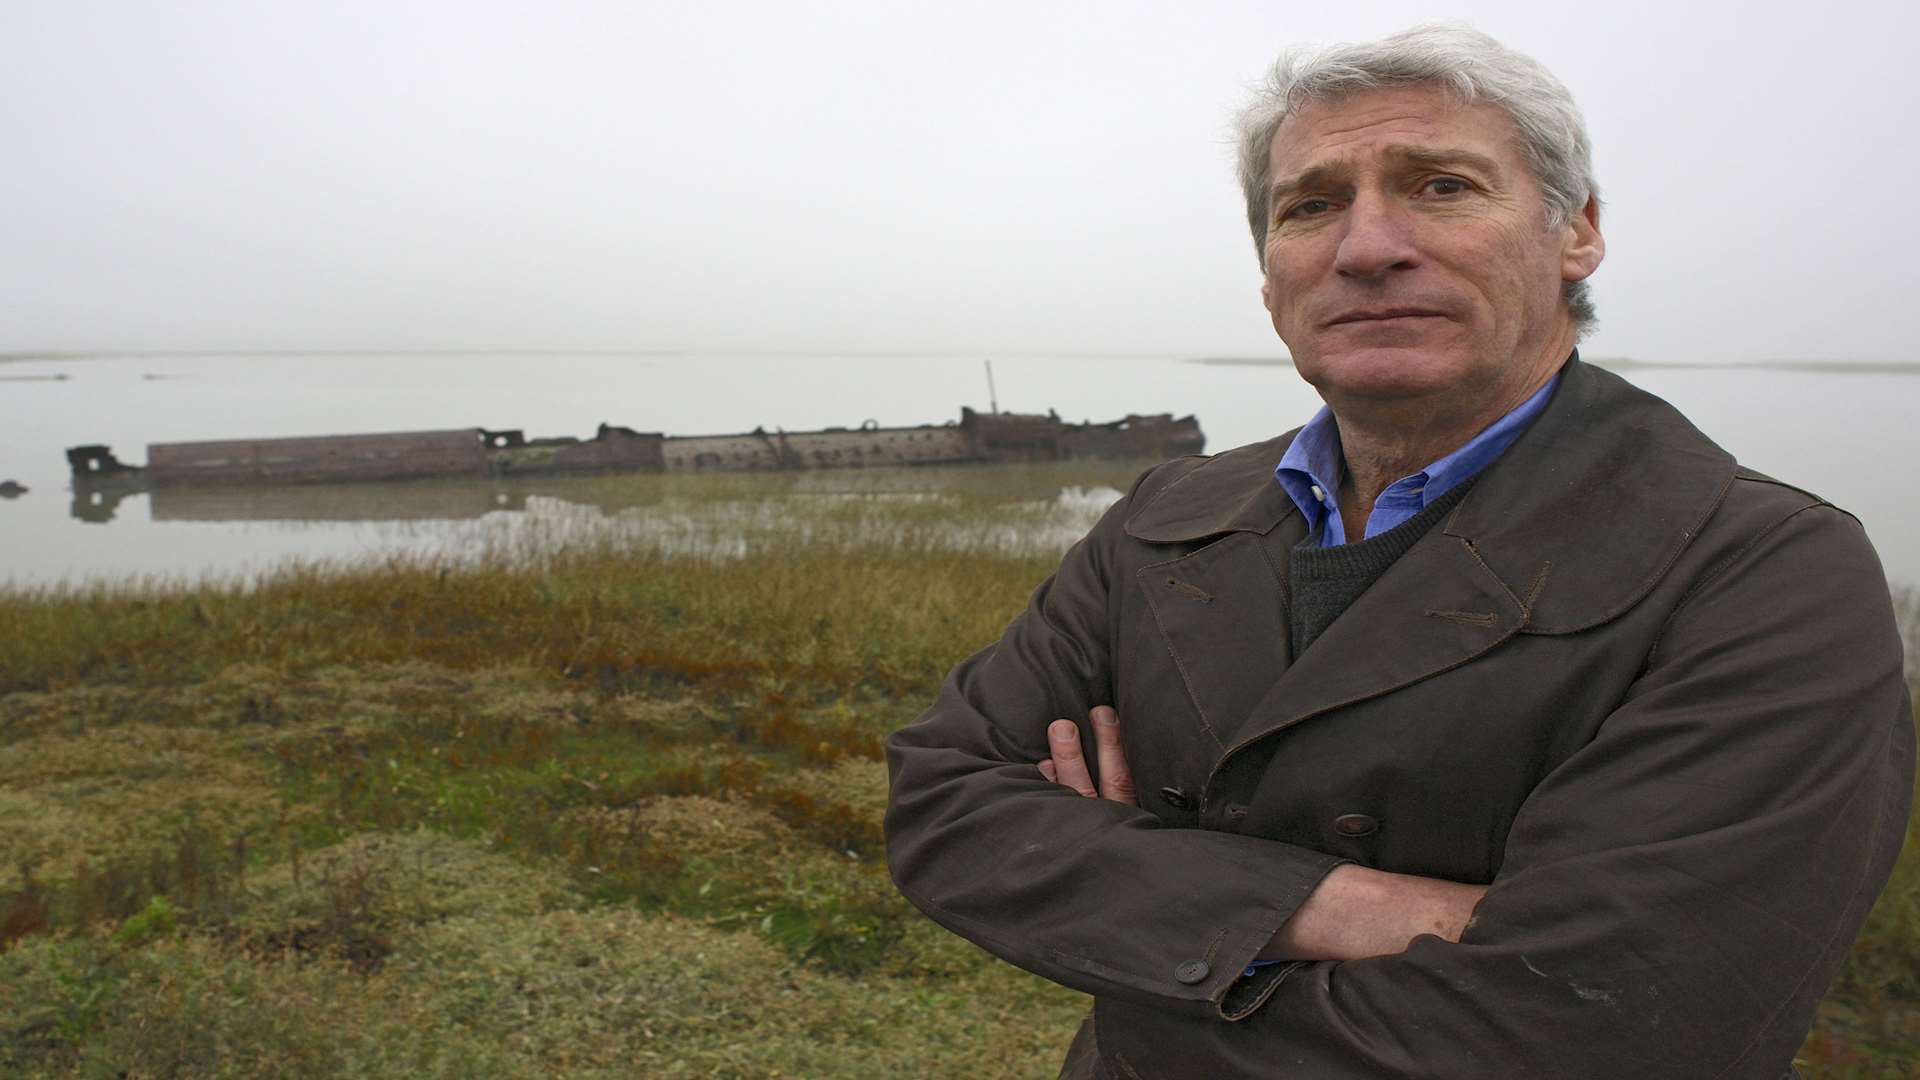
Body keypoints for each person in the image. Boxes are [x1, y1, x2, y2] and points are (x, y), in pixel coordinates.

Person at [882, 24, 1914, 1080]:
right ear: (1269, 270)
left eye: (1442, 187)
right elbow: (942, 802)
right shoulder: (1166, 513)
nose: (1366, 247)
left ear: (1577, 233)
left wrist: (1145, 937)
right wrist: (1352, 905)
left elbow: (1605, 1031)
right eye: (1311, 204)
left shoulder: (1765, 572)